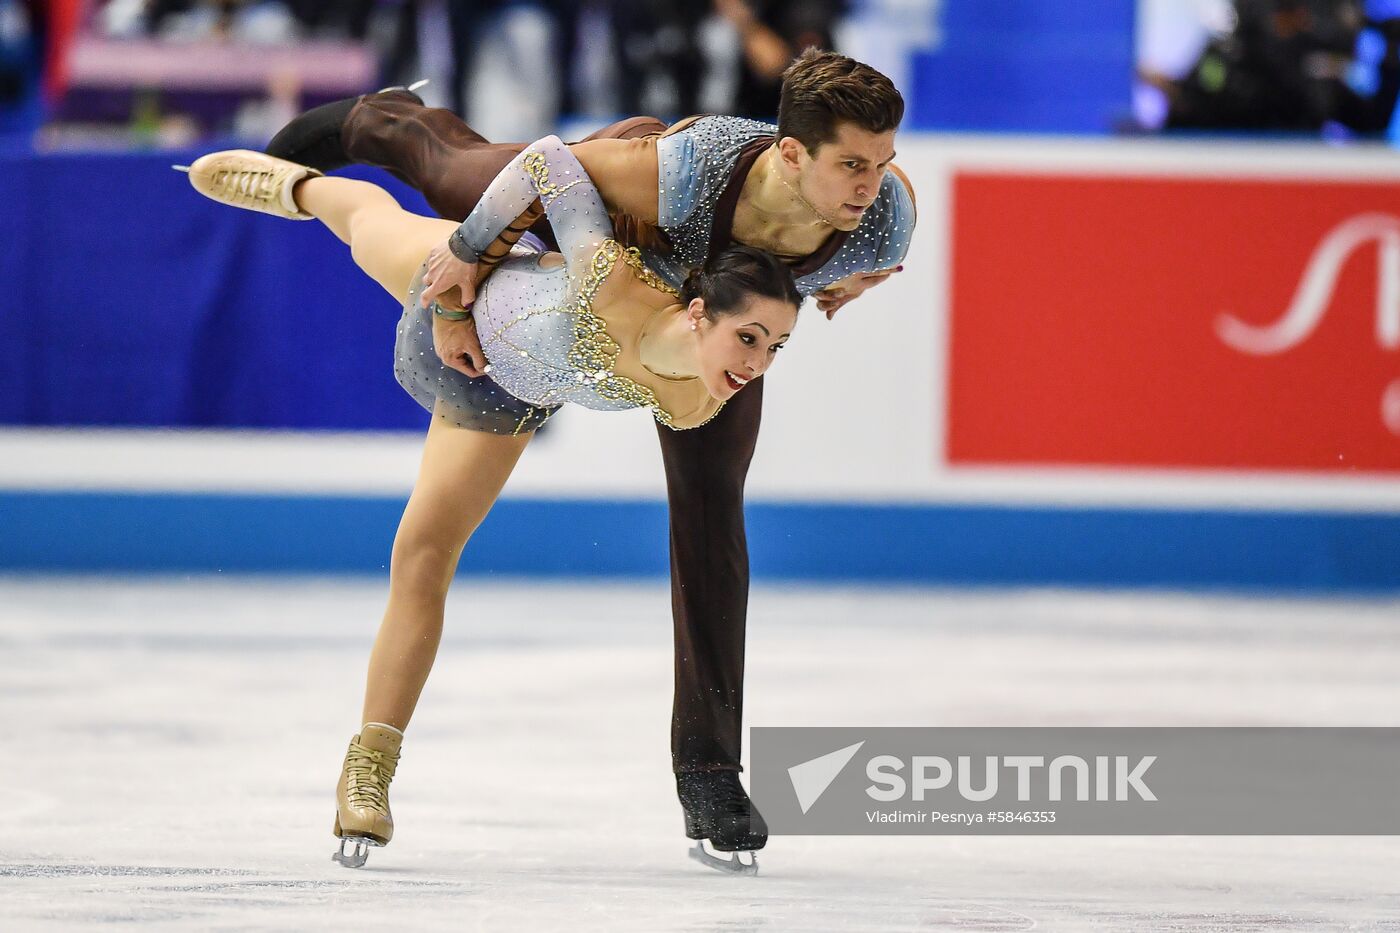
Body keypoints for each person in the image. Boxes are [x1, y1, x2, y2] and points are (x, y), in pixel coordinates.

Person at [265, 47, 915, 872]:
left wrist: (861, 276)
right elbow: (550, 167)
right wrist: (463, 270)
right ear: (791, 154)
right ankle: (384, 119)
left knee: (713, 511)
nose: (871, 184)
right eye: (853, 165)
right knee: (463, 180)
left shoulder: (882, 216)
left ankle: (710, 775)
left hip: (714, 335)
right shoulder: (687, 169)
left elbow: (887, 239)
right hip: (613, 245)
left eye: (882, 164)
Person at [179, 142, 801, 871]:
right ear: (697, 314)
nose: (756, 364)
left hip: (495, 393)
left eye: (775, 348)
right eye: (747, 337)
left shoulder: (699, 400)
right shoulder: (614, 283)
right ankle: (301, 188)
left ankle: (367, 771)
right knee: (366, 223)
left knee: (423, 554)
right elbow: (549, 159)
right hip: (462, 288)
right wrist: (460, 279)